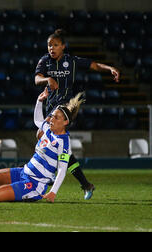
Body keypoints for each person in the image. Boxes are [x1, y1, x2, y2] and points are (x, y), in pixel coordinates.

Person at [34, 29, 121, 200]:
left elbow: (94, 65)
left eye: (56, 45)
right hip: (50, 106)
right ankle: (85, 183)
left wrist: (109, 68)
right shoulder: (45, 61)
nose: (52, 48)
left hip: (65, 107)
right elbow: (37, 79)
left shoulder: (71, 61)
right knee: (63, 152)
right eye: (50, 45)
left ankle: (50, 174)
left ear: (63, 46)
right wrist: (47, 80)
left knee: (41, 133)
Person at [0, 88, 84, 203]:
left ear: (65, 122)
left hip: (35, 184)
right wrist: (39, 101)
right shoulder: (48, 130)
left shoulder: (63, 142)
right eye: (52, 116)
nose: (51, 119)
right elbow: (37, 121)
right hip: (23, 172)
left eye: (56, 118)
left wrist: (53, 192)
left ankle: (25, 193)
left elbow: (62, 170)